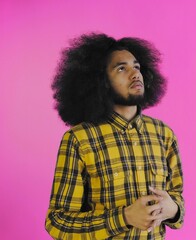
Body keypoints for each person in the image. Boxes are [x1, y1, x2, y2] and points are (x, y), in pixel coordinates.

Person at [45, 33, 184, 239]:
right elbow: (57, 223)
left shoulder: (164, 135)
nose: (134, 74)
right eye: (122, 68)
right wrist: (124, 217)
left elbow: (177, 201)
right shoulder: (79, 139)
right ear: (102, 82)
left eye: (136, 67)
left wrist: (172, 210)